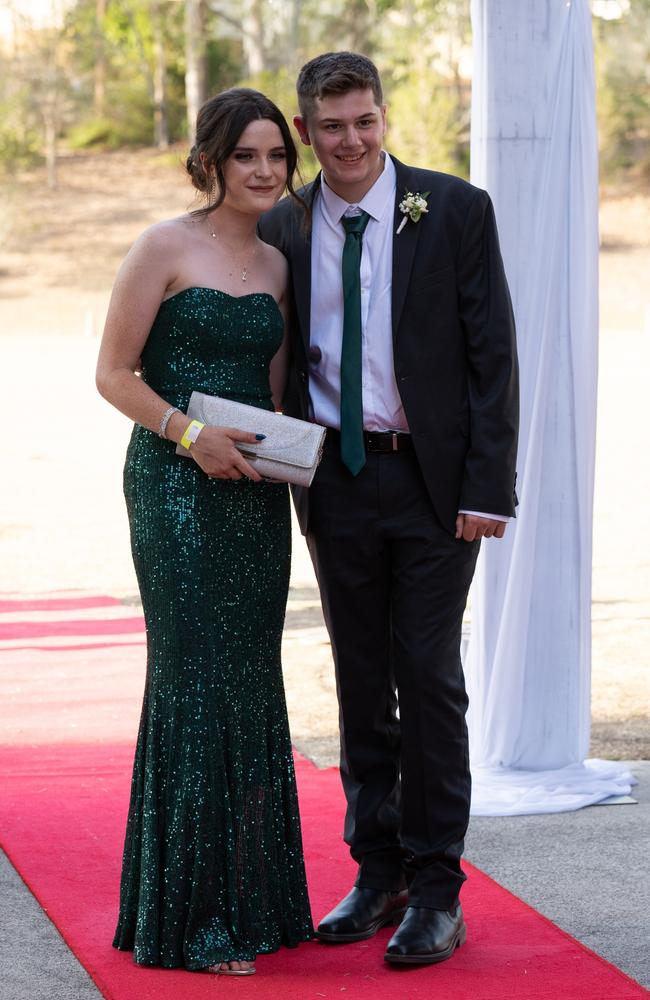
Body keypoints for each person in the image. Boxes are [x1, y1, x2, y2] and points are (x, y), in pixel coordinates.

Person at [259, 52, 518, 967]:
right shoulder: (282, 224)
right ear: (306, 131)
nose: (352, 141)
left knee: (429, 677)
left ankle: (438, 886)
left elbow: (493, 357)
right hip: (334, 476)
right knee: (362, 680)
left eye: (364, 121)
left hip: (435, 486)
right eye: (331, 127)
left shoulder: (453, 209)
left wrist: (488, 488)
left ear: (384, 115)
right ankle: (378, 873)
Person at [96, 87, 313, 977]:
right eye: (245, 157)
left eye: (274, 158)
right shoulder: (163, 246)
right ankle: (189, 921)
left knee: (251, 684)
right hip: (175, 494)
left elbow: (273, 390)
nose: (263, 172)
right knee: (195, 679)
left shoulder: (277, 264)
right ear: (212, 160)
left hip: (254, 500)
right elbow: (113, 374)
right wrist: (190, 435)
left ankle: (250, 904)